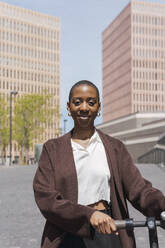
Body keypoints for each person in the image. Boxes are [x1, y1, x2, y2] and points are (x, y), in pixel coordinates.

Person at [33, 80, 165, 248]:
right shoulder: (52, 149)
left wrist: (161, 205)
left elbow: (139, 189)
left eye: (91, 102)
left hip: (108, 230)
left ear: (99, 107)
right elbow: (45, 197)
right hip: (67, 233)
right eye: (77, 102)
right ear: (68, 107)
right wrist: (89, 215)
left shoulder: (115, 147)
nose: (84, 107)